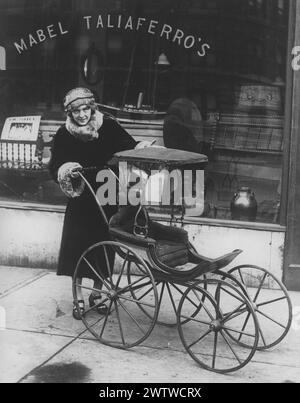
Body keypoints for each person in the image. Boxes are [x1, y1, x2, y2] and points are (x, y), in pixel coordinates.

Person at [48, 87, 154, 319]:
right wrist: (66, 169)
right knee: (77, 249)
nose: (82, 115)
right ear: (70, 112)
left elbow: (129, 145)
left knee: (104, 245)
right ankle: (77, 297)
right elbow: (54, 164)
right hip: (81, 198)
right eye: (76, 111)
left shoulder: (109, 126)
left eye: (86, 109)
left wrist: (142, 148)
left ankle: (97, 294)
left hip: (107, 195)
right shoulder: (64, 134)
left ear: (92, 107)